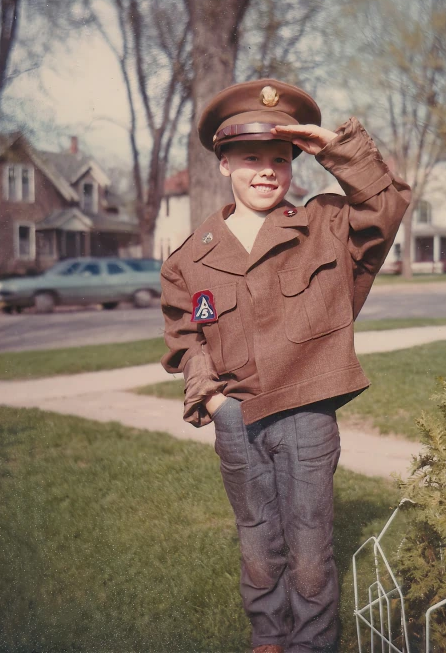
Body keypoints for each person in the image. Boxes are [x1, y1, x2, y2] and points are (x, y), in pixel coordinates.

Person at [160, 78, 411, 653]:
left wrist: (336, 148)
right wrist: (218, 404)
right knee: (256, 539)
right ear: (223, 162)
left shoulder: (325, 225)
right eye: (251, 158)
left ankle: (313, 642)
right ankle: (269, 633)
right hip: (237, 420)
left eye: (281, 159)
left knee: (309, 551)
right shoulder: (190, 258)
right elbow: (185, 338)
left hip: (306, 417)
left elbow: (386, 203)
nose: (267, 171)